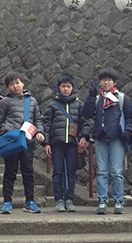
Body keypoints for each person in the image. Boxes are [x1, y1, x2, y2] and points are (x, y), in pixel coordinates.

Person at [82, 67, 132, 215]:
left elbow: (129, 116)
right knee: (102, 171)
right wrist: (90, 97)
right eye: (103, 79)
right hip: (101, 137)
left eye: (109, 79)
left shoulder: (122, 98)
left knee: (116, 172)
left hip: (117, 137)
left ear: (114, 82)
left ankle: (118, 201)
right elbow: (86, 113)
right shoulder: (97, 98)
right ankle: (102, 201)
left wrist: (128, 131)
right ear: (99, 82)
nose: (106, 82)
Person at [0, 71, 45, 214]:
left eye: (17, 82)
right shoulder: (5, 102)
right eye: (11, 84)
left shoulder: (32, 101)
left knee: (28, 172)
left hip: (27, 142)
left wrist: (39, 132)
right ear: (8, 87)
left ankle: (30, 201)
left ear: (23, 83)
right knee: (10, 171)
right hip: (12, 142)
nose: (15, 86)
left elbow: (38, 120)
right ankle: (7, 202)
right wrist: (7, 132)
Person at [43, 74, 90, 212]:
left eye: (68, 86)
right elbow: (46, 124)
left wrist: (85, 137)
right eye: (63, 86)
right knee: (57, 171)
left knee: (71, 172)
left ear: (72, 88)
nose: (65, 89)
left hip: (72, 143)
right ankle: (58, 200)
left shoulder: (79, 104)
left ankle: (69, 199)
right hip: (56, 143)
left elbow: (85, 122)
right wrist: (46, 143)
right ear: (59, 88)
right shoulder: (52, 105)